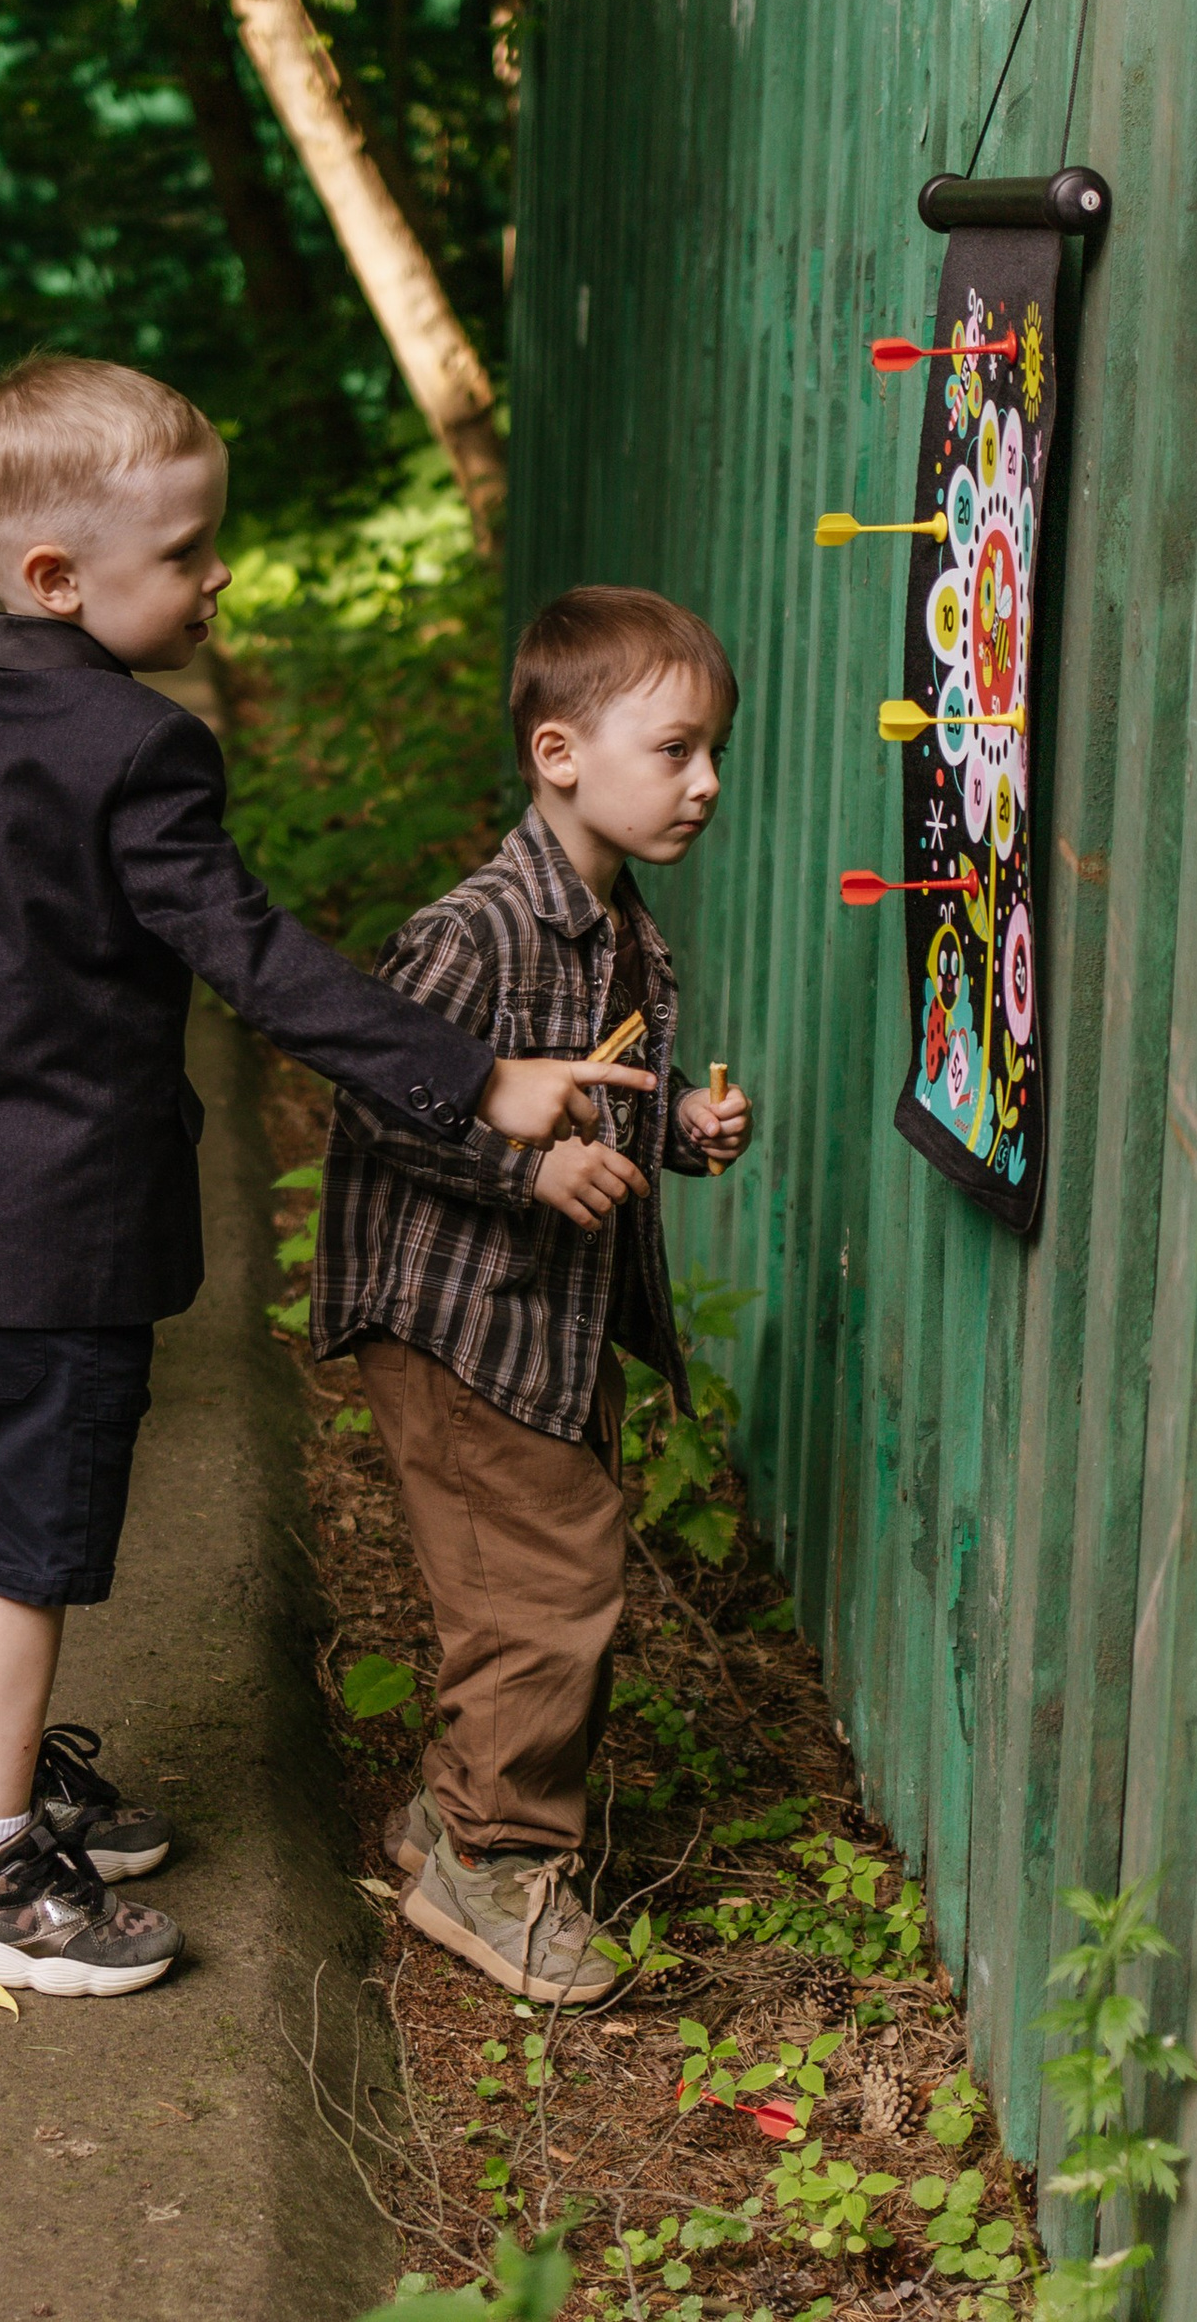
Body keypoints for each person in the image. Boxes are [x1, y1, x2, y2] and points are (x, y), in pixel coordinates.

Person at [0, 356, 649, 1998]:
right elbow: (256, 962)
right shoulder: (140, 750)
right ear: (59, 578)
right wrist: (483, 1080)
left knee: (0, 1513)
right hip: (62, 1228)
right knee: (32, 1541)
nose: (219, 578)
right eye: (192, 551)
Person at [312, 584, 752, 2005]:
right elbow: (381, 1101)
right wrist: (530, 1173)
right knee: (545, 1582)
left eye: (713, 753)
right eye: (676, 749)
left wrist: (674, 1124)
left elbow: (595, 1081)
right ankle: (492, 1862)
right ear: (560, 754)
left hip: (540, 1326)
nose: (707, 782)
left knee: (546, 1563)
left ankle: (449, 1819)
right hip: (459, 1318)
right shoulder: (479, 929)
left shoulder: (625, 928)